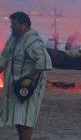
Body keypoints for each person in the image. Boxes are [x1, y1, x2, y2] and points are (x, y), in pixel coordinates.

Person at [0, 12, 52, 140]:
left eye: (14, 23)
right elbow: (4, 57)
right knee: (18, 118)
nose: (11, 26)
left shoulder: (33, 41)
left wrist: (29, 78)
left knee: (26, 120)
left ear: (23, 25)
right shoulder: (13, 38)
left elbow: (45, 61)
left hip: (27, 90)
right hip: (14, 87)